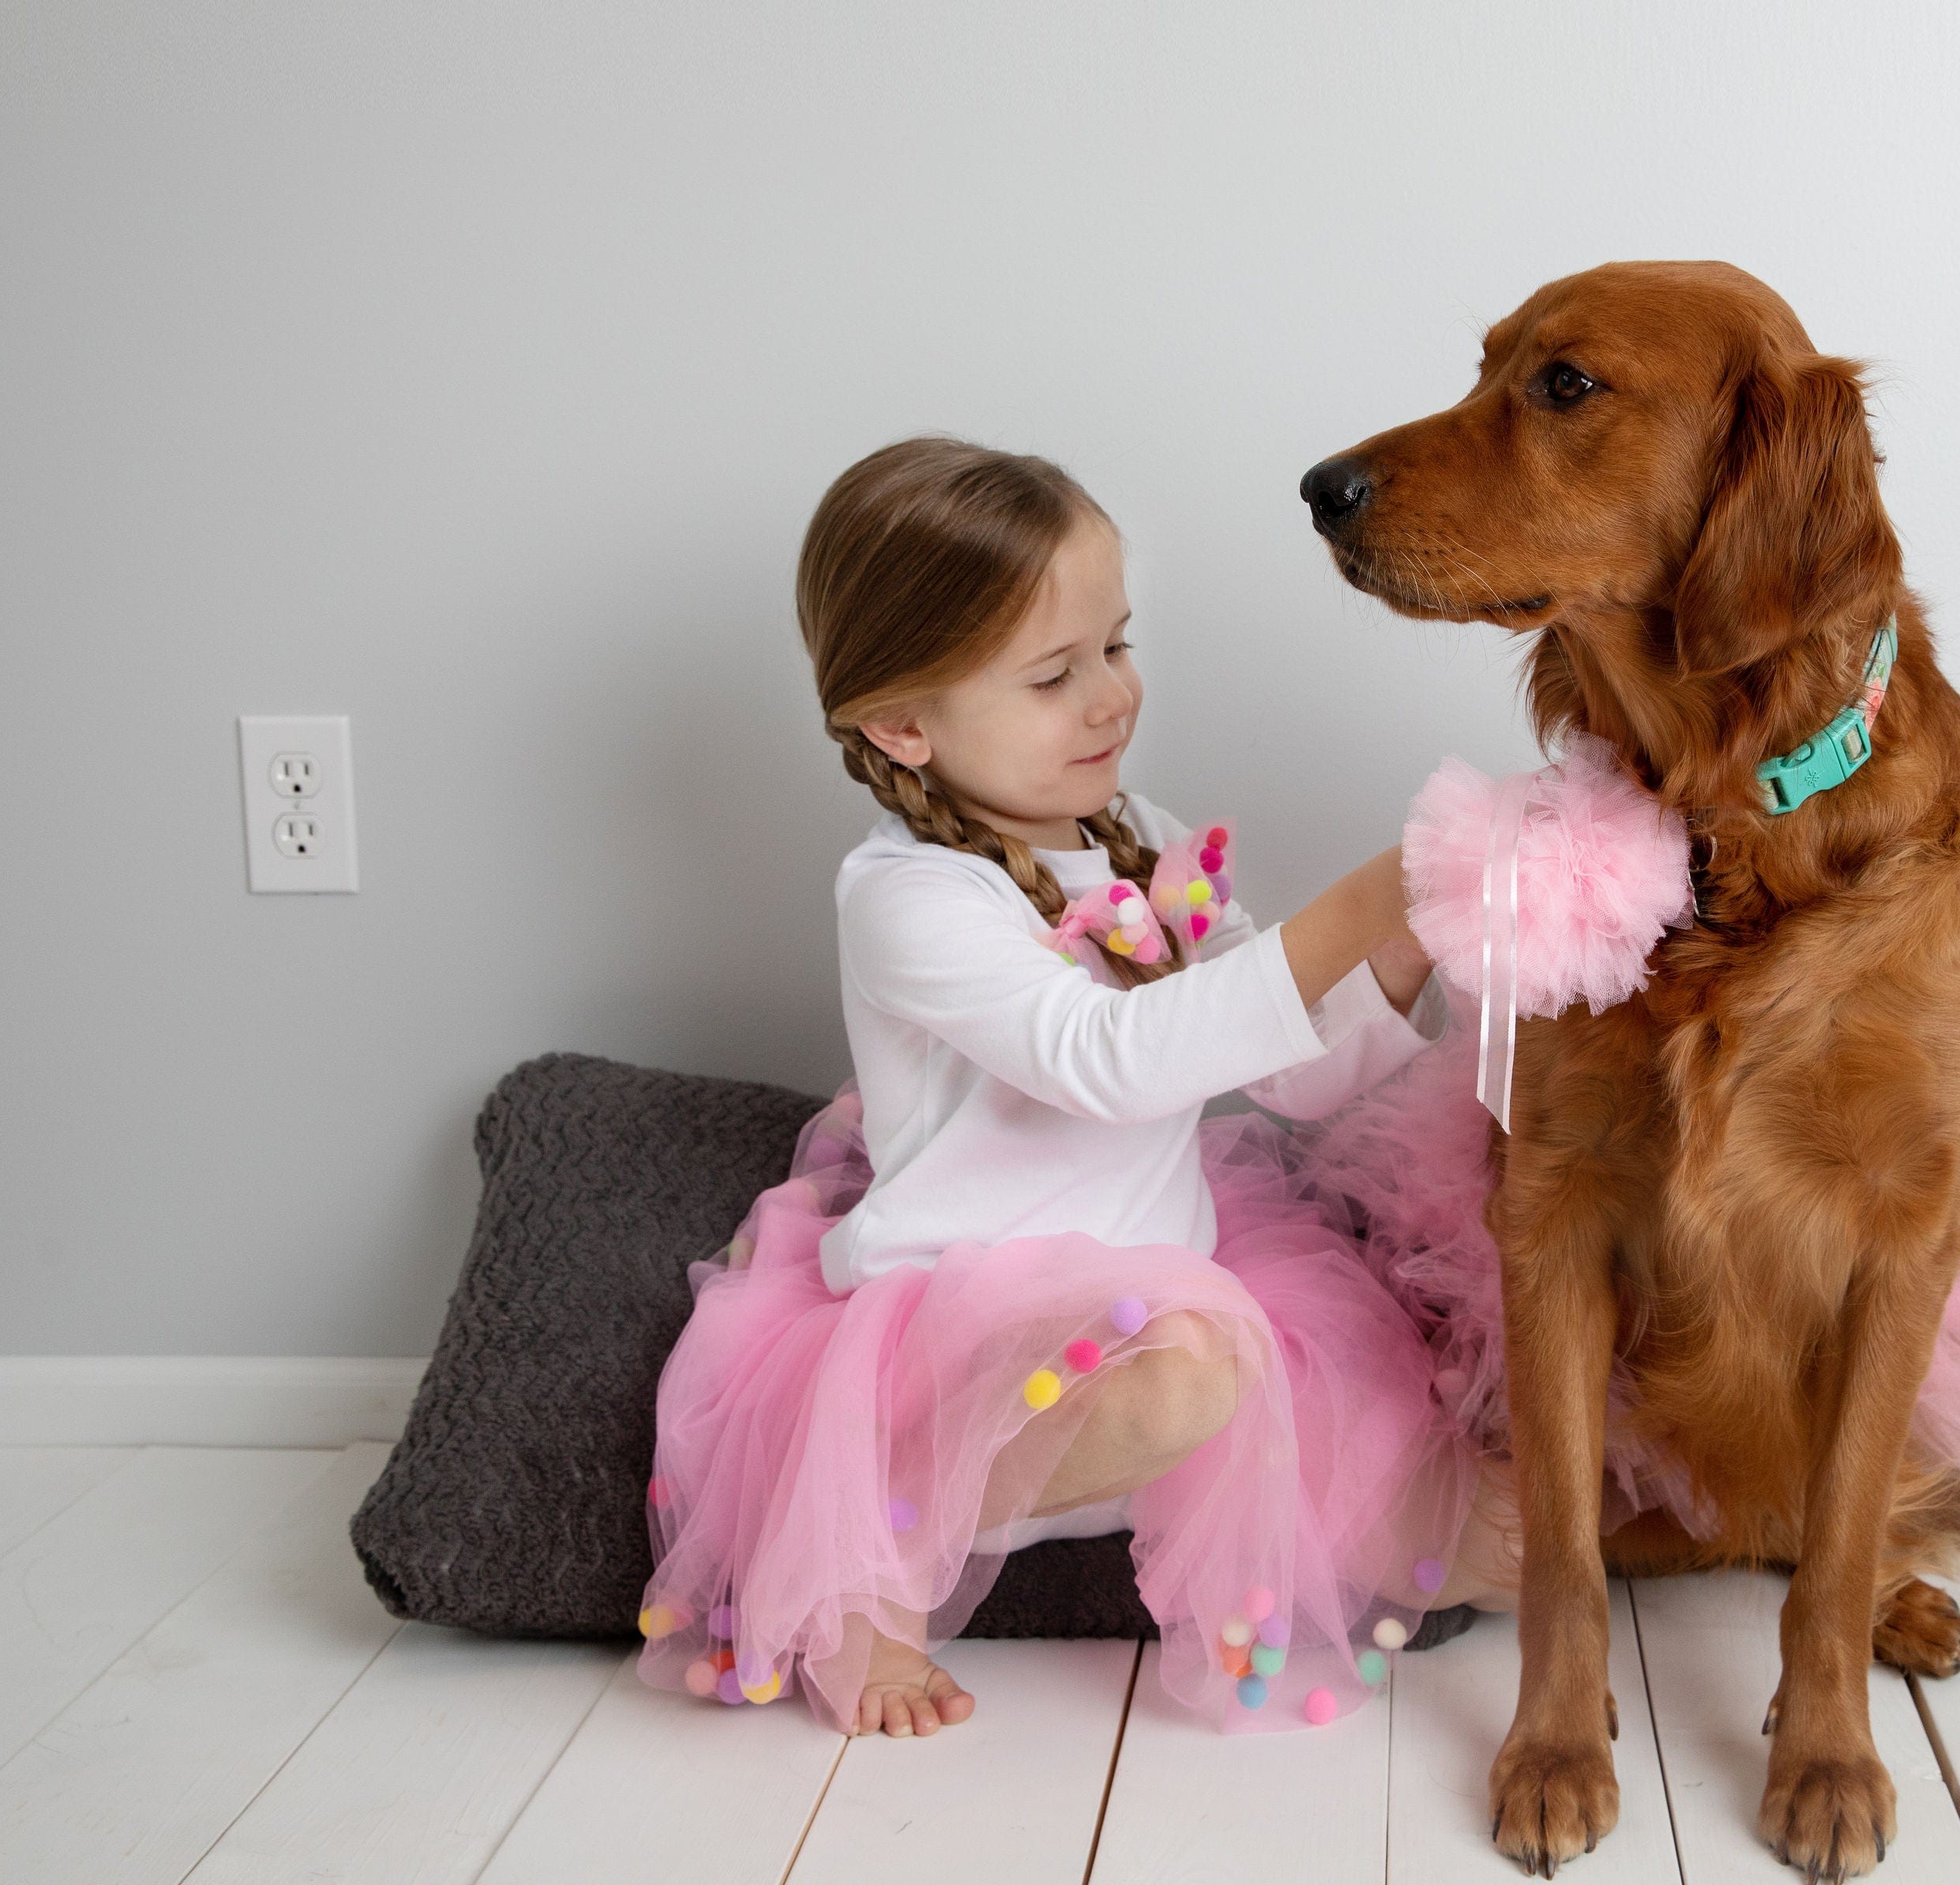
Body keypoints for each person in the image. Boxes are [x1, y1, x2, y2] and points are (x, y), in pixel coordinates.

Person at [632, 436, 1513, 1740]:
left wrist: (1399, 945)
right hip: (990, 1357)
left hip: (1178, 1308)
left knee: (1502, 1543)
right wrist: (1345, 909)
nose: (1112, 698)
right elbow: (1112, 1062)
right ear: (903, 724)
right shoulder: (907, 899)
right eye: (1054, 676)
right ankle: (875, 1541)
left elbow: (1294, 1074)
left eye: (1116, 645)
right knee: (1190, 1370)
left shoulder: (1137, 837)